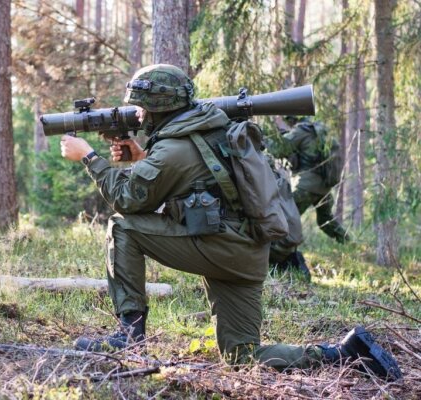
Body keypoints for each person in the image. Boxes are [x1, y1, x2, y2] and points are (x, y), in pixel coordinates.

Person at [58, 64, 401, 380]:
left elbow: (128, 199)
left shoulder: (175, 148)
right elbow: (196, 173)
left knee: (122, 227)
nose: (139, 114)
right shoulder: (209, 126)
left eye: (142, 107)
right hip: (246, 253)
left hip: (219, 246)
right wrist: (144, 157)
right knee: (242, 356)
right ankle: (343, 353)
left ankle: (128, 337)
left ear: (159, 108)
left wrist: (88, 156)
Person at [267, 116, 350, 244]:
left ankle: (283, 250)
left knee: (286, 217)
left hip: (306, 186)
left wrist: (265, 138)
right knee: (325, 221)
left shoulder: (300, 131)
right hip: (324, 187)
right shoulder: (317, 130)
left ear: (291, 121)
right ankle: (348, 242)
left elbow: (278, 150)